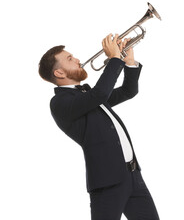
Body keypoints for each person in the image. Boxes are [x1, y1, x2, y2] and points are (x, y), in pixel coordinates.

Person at [38, 34, 160, 220]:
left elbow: (129, 91)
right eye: (70, 59)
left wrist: (129, 62)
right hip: (107, 182)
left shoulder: (88, 95)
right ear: (59, 73)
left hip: (133, 176)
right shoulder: (60, 102)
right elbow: (101, 93)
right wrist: (113, 59)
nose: (78, 59)